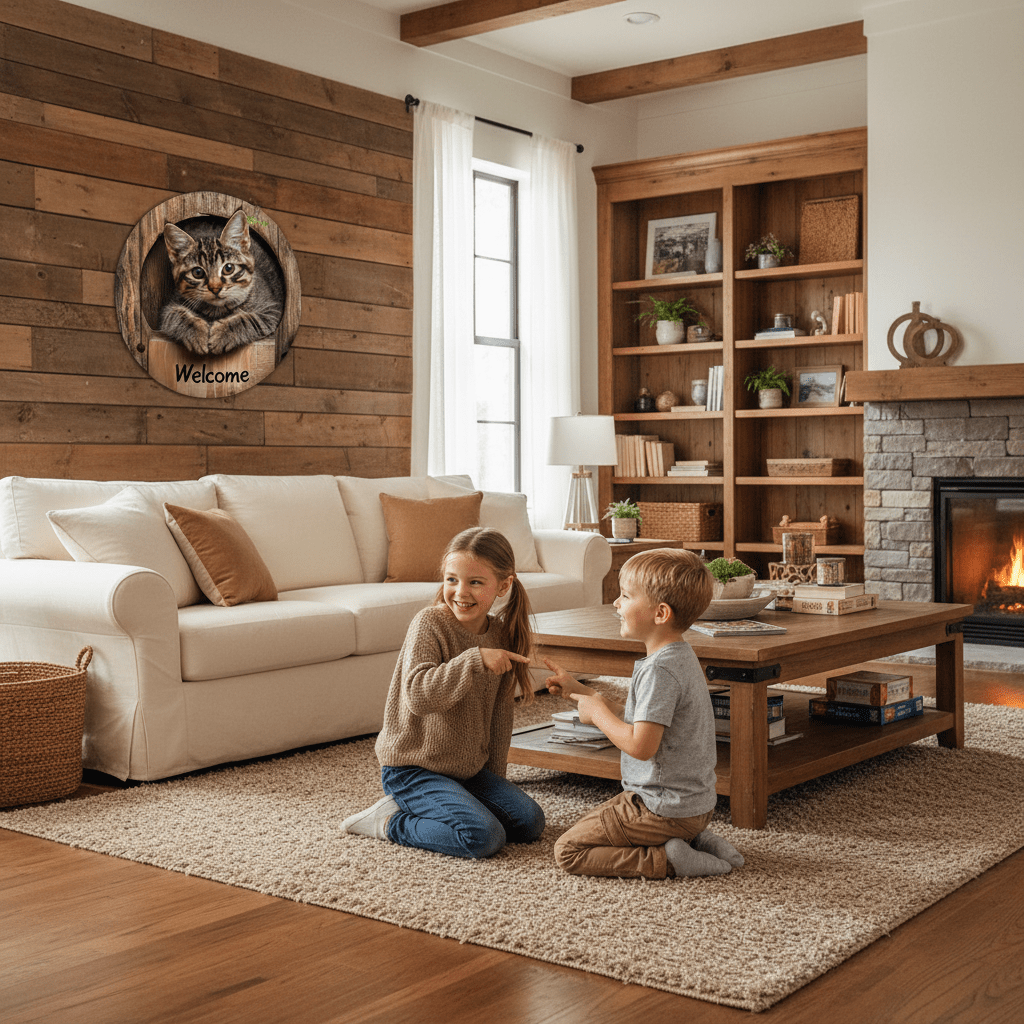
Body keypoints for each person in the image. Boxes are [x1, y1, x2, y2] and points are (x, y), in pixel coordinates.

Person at [341, 527, 545, 859]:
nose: (460, 592)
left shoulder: (500, 635)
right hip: (413, 768)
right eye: (452, 580)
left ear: (504, 585)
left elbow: (498, 718)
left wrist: (495, 786)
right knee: (483, 837)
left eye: (475, 582)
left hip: (467, 771)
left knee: (529, 823)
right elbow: (419, 697)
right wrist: (473, 660)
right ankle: (389, 821)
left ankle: (454, 801)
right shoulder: (429, 623)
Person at [544, 548, 744, 879]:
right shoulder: (678, 655)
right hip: (695, 806)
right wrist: (582, 693)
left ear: (660, 613)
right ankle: (695, 840)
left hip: (661, 808)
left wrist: (599, 715)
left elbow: (641, 745)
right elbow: (645, 721)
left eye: (625, 596)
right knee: (593, 828)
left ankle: (669, 860)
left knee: (568, 850)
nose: (616, 604)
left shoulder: (660, 671)